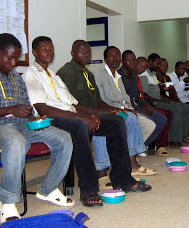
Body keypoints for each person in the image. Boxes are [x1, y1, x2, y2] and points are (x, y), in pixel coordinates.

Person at [23, 37, 152, 204]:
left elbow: (76, 104)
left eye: (51, 49)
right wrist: (80, 117)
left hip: (71, 115)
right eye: (44, 49)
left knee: (116, 122)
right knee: (79, 126)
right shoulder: (31, 75)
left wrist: (103, 113)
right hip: (52, 119)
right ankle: (89, 189)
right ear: (34, 52)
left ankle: (123, 179)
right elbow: (43, 109)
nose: (49, 52)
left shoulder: (54, 76)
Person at [0, 33, 74, 223]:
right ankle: (8, 202)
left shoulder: (15, 78)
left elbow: (24, 106)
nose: (13, 63)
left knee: (64, 137)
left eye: (16, 59)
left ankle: (48, 189)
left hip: (21, 125)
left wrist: (35, 117)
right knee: (16, 141)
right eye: (9, 58)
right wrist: (12, 109)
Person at [118, 50, 169, 155]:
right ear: (122, 61)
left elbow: (137, 96)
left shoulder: (134, 75)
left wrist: (144, 107)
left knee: (161, 119)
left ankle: (138, 145)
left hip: (138, 106)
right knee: (150, 121)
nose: (132, 63)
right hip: (127, 108)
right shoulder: (118, 76)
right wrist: (140, 109)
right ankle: (132, 149)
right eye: (129, 60)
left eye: (134, 60)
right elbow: (123, 99)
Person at [139, 53, 189, 148]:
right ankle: (175, 140)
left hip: (159, 100)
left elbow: (159, 93)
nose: (159, 66)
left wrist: (167, 100)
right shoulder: (144, 74)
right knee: (177, 109)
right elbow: (145, 95)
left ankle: (182, 136)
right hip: (153, 103)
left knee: (185, 107)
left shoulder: (153, 75)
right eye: (158, 63)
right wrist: (161, 100)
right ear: (150, 62)